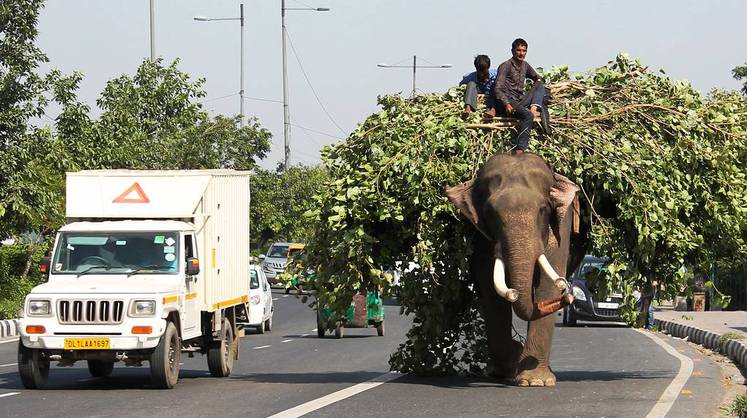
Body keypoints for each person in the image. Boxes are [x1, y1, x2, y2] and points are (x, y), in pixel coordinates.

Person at [493, 38, 551, 152]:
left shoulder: (525, 65)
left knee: (540, 85)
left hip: (520, 100)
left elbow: (537, 77)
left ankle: (534, 106)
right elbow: (498, 89)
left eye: (524, 51)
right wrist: (507, 104)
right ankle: (520, 148)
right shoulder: (505, 66)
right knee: (528, 116)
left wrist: (537, 83)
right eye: (519, 50)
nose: (521, 53)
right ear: (512, 51)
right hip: (509, 100)